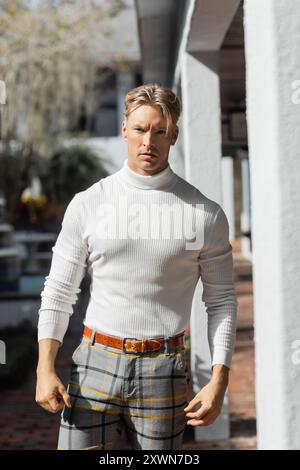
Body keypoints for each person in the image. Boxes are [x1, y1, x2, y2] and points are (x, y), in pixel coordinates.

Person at [35, 83, 238, 450]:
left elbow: (221, 301)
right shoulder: (89, 203)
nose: (149, 141)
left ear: (173, 136)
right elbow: (60, 291)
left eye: (160, 131)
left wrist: (219, 378)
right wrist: (44, 367)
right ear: (125, 129)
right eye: (141, 129)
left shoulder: (203, 214)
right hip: (95, 359)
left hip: (165, 367)